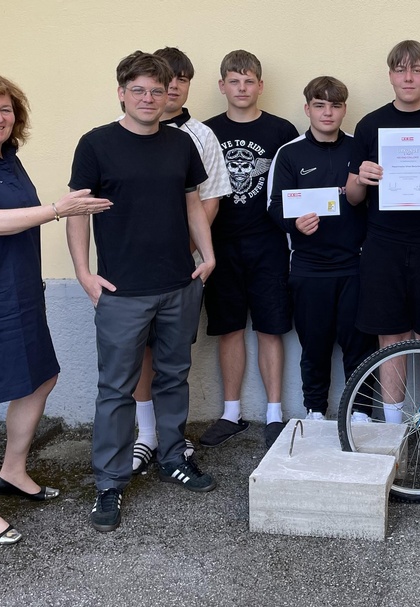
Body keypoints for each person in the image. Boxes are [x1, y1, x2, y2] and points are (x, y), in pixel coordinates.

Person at [0, 73, 111, 545]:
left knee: (41, 377)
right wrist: (57, 210)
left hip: (19, 294)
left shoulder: (7, 159)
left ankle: (12, 471)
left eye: (5, 109)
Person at [67, 51, 217, 533]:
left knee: (174, 377)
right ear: (121, 93)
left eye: (157, 90)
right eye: (139, 90)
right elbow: (77, 212)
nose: (149, 98)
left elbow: (193, 204)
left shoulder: (181, 143)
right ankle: (109, 482)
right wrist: (83, 273)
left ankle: (173, 458)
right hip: (122, 290)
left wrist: (207, 254)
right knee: (116, 388)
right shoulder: (96, 144)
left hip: (179, 284)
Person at [346, 40, 420, 471]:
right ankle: (393, 435)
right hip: (384, 244)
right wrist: (361, 178)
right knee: (391, 339)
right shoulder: (370, 125)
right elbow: (353, 196)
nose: (409, 77)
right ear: (391, 76)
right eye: (401, 70)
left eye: (417, 69)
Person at [130, 46, 233, 474]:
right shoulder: (124, 131)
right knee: (140, 351)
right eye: (163, 80)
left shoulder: (201, 136)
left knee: (172, 355)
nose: (171, 88)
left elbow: (208, 200)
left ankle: (172, 435)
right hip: (132, 269)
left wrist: (187, 249)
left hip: (183, 265)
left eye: (180, 80)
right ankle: (146, 435)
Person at [201, 50, 299, 449]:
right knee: (229, 329)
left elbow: (293, 187)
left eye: (248, 81)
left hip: (269, 244)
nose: (241, 88)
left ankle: (274, 413)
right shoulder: (205, 132)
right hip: (220, 244)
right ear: (222, 85)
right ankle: (231, 412)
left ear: (260, 86)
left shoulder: (281, 130)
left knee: (271, 328)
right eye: (234, 81)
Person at [267, 76, 375, 421]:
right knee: (314, 346)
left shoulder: (359, 148)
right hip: (309, 267)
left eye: (335, 105)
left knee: (360, 345)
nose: (327, 112)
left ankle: (361, 411)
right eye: (319, 105)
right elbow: (274, 205)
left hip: (355, 265)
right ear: (307, 109)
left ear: (344, 110)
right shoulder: (290, 153)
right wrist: (294, 223)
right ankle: (315, 411)